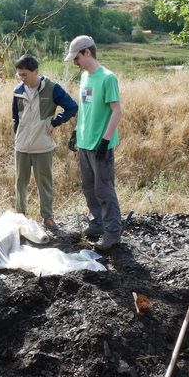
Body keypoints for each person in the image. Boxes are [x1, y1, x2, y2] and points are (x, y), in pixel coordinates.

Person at [64, 35, 123, 249]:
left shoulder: (108, 78)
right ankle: (97, 224)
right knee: (89, 188)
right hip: (84, 143)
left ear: (87, 52)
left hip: (100, 145)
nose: (74, 62)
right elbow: (85, 110)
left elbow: (117, 111)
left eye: (76, 57)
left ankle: (113, 232)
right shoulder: (84, 78)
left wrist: (105, 142)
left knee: (104, 189)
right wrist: (75, 132)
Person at [11, 54, 78, 231]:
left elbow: (72, 107)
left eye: (24, 74)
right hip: (22, 146)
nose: (21, 78)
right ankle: (20, 214)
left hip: (42, 145)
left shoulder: (52, 88)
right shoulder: (18, 90)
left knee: (45, 182)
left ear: (36, 72)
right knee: (20, 182)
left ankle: (47, 217)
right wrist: (17, 134)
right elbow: (15, 117)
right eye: (19, 75)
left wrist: (55, 122)